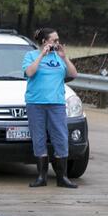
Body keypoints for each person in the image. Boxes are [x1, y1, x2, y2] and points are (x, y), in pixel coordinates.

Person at [22, 28, 79, 188]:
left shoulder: (59, 57)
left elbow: (74, 75)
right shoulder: (31, 56)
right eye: (54, 40)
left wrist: (64, 57)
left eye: (58, 40)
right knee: (38, 138)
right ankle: (42, 177)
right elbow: (29, 72)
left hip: (57, 104)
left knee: (60, 137)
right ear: (44, 42)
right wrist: (41, 55)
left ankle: (63, 177)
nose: (57, 43)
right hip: (36, 103)